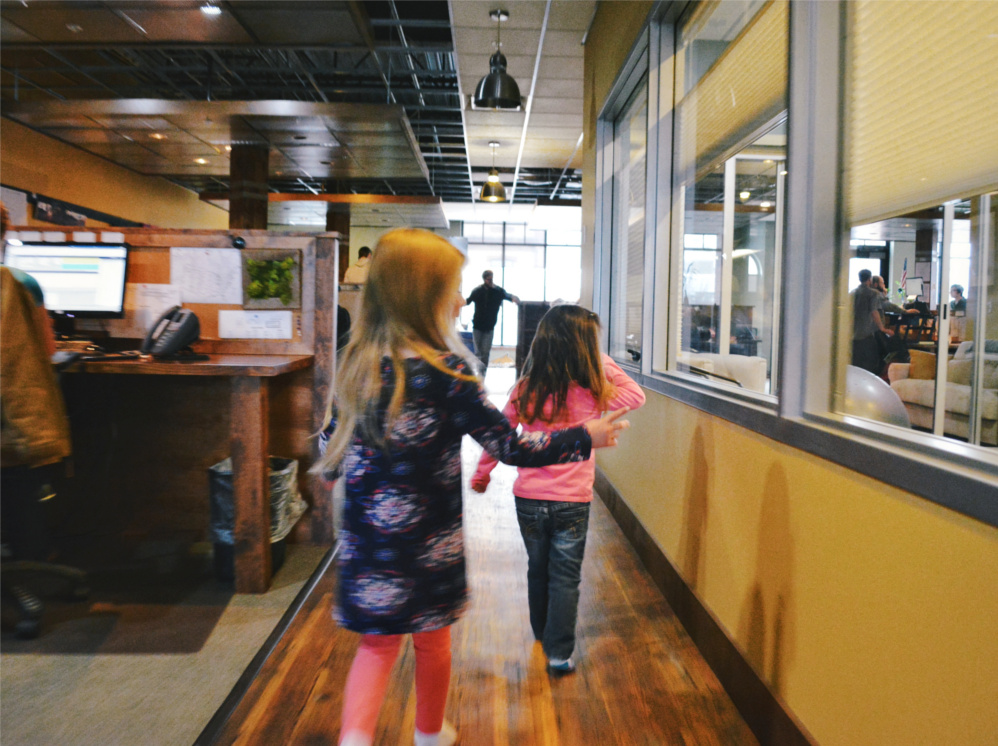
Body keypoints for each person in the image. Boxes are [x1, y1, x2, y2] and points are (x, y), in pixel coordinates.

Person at [312, 229, 630, 746]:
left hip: (369, 544)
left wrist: (337, 493)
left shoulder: (359, 365)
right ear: (425, 298)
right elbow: (512, 449)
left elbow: (331, 448)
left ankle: (356, 738)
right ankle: (429, 734)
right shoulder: (448, 371)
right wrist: (582, 436)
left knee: (376, 647)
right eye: (453, 288)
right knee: (432, 645)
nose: (461, 298)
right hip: (429, 544)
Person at [471, 305, 646, 675]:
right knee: (565, 575)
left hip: (529, 499)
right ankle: (559, 652)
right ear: (585, 347)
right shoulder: (593, 390)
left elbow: (500, 433)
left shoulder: (524, 388)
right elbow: (635, 396)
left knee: (538, 567)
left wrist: (482, 473)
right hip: (572, 501)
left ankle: (541, 630)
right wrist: (598, 359)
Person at [465, 269, 519, 370]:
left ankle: (483, 372)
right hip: (477, 325)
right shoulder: (477, 291)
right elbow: (467, 301)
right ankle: (478, 373)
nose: (490, 282)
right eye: (488, 280)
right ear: (484, 279)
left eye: (491, 279)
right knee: (478, 352)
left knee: (485, 352)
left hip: (489, 326)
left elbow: (508, 296)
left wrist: (515, 298)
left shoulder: (497, 291)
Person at [851, 268, 891, 374]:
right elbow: (874, 312)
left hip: (853, 333)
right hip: (867, 333)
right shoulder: (873, 294)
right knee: (872, 361)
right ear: (870, 279)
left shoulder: (853, 293)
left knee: (856, 363)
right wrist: (882, 328)